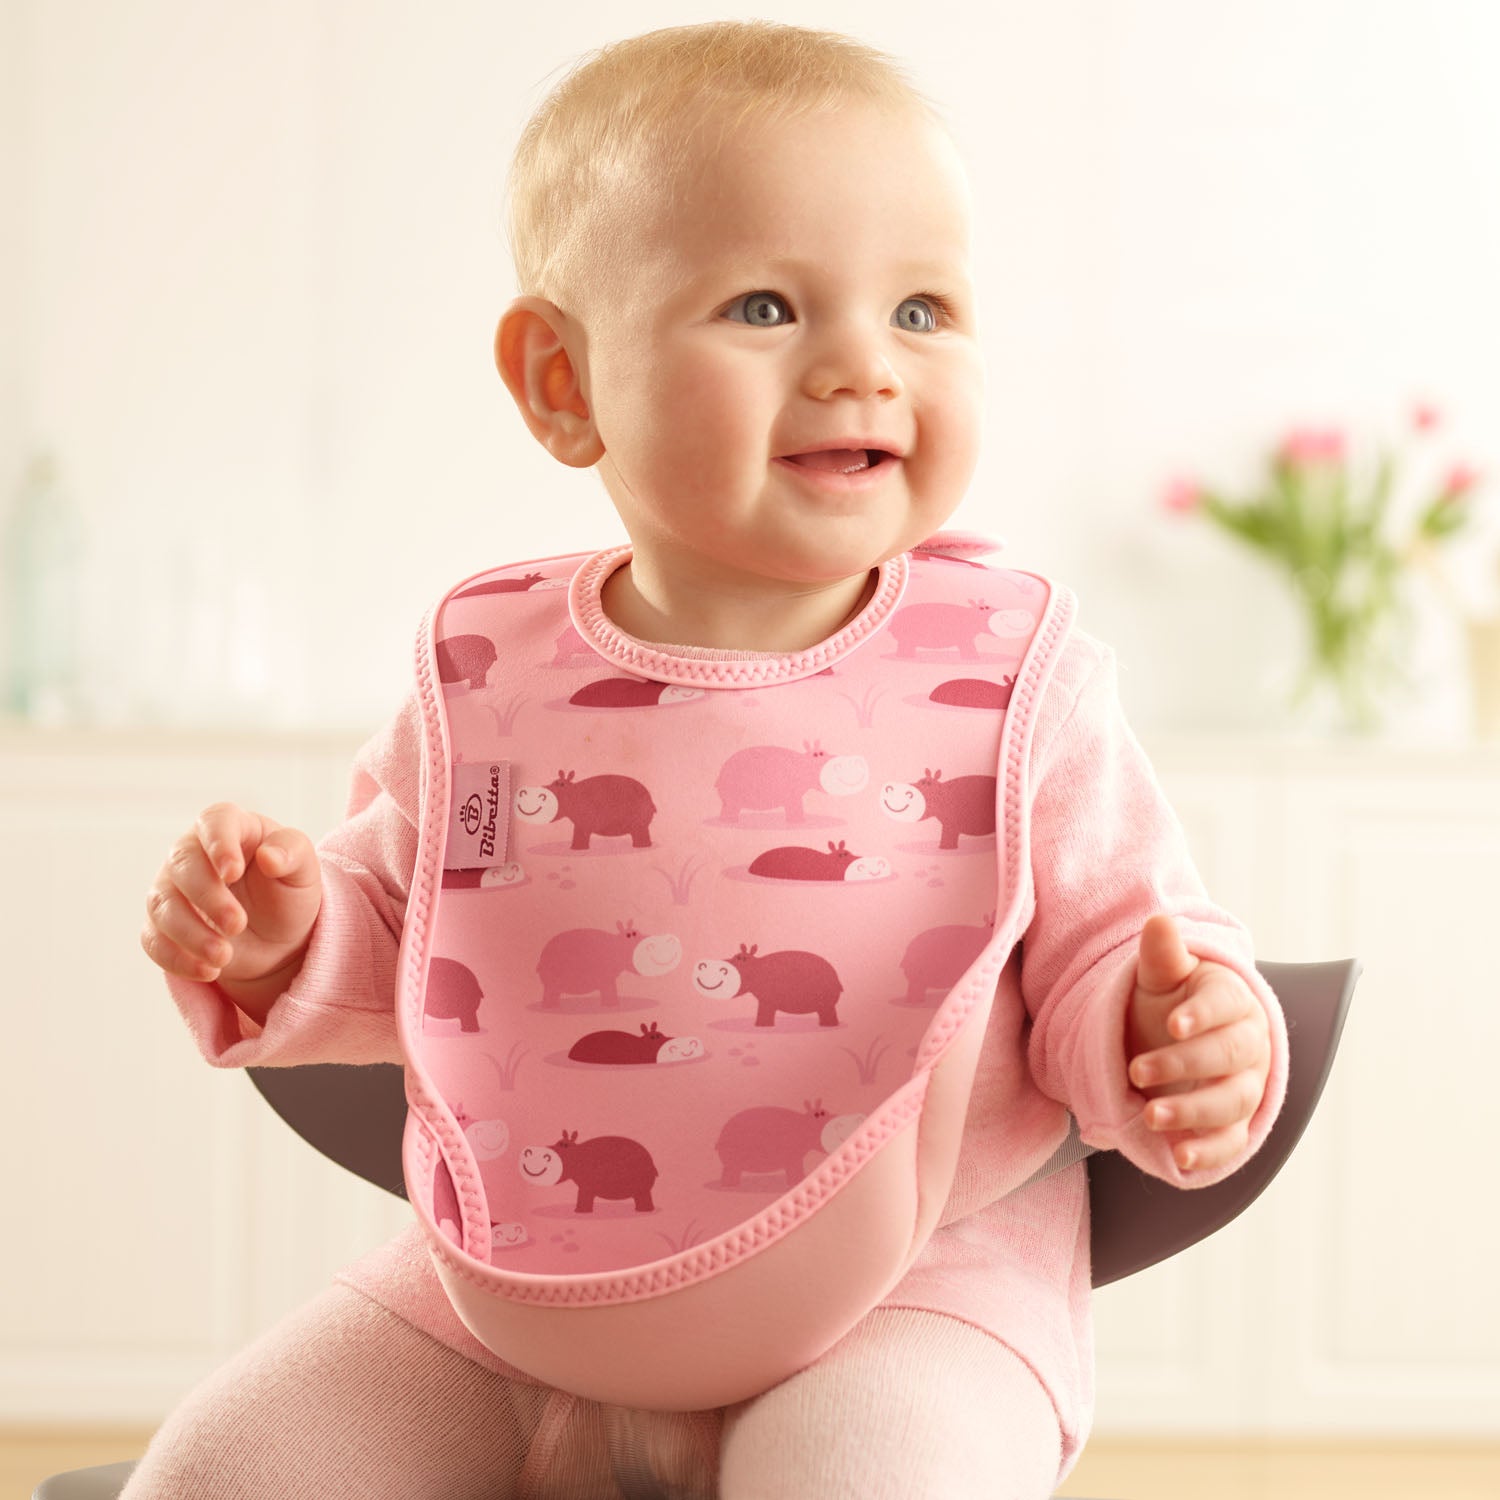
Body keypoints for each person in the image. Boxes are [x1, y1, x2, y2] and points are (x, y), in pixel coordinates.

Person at [131, 21, 1284, 1499]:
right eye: (763, 305)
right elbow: (425, 945)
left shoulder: (1015, 679)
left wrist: (1173, 1034)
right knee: (217, 1476)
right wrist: (290, 929)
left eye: (923, 310)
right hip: (516, 1299)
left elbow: (1115, 946)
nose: (863, 364)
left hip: (912, 1293)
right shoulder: (493, 679)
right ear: (563, 379)